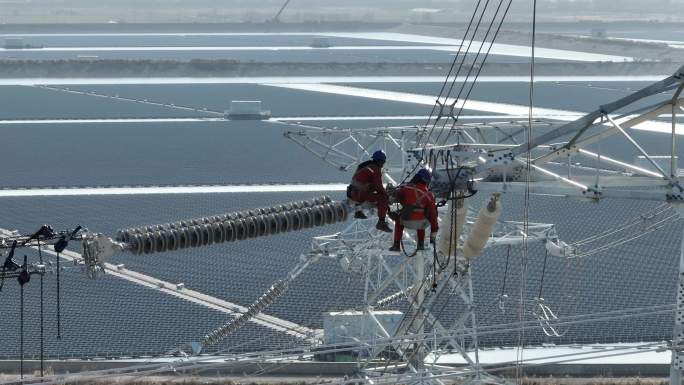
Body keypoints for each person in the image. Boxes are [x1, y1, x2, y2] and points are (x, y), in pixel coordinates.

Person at [389, 169, 438, 251]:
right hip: (420, 224)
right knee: (423, 218)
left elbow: (395, 196)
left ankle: (396, 245)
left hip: (406, 221)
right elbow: (433, 215)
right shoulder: (429, 195)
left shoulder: (406, 188)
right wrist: (434, 231)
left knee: (398, 221)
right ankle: (420, 244)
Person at [347, 150, 392, 233]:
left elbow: (371, 185)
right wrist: (386, 195)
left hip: (352, 193)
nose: (383, 164)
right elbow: (378, 186)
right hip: (359, 194)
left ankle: (358, 211)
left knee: (373, 189)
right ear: (380, 161)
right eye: (383, 162)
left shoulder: (366, 166)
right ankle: (381, 222)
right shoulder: (375, 168)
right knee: (384, 198)